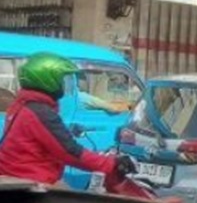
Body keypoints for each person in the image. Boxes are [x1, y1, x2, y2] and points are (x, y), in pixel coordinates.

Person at [0, 53, 135, 186]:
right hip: (32, 183)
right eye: (60, 80)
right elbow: (70, 152)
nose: (62, 85)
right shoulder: (41, 113)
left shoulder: (21, 105)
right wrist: (112, 164)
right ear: (48, 80)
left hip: (17, 177)